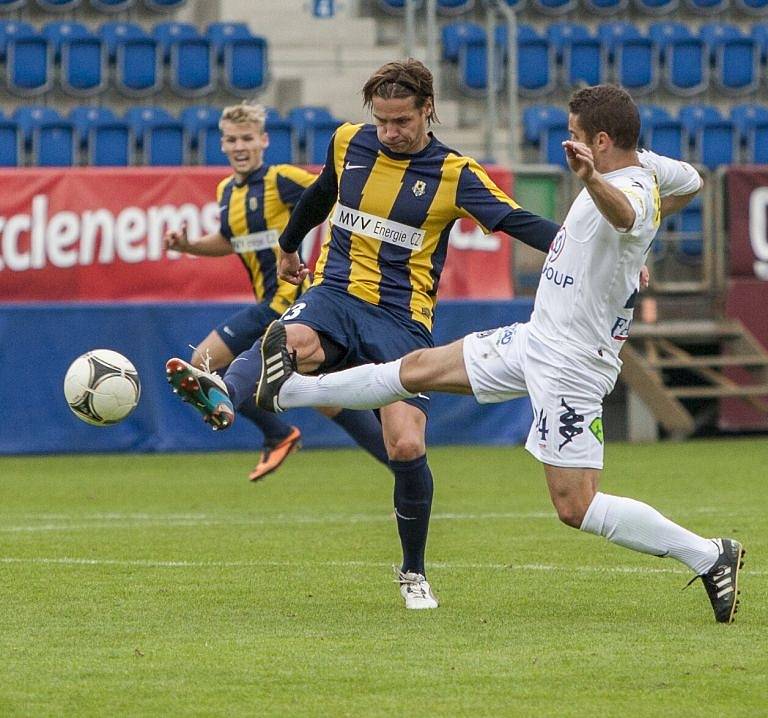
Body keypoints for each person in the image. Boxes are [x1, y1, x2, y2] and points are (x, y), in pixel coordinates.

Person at [254, 85, 745, 624]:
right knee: (416, 370)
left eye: (576, 136)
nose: (569, 142)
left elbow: (628, 216)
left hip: (574, 363)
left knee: (574, 506)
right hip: (538, 338)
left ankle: (708, 554)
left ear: (601, 142)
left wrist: (594, 184)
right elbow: (693, 181)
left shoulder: (632, 190)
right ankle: (290, 393)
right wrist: (628, 246)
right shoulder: (651, 167)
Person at [165, 60, 562, 609]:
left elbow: (523, 223)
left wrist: (594, 255)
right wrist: (288, 246)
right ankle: (225, 395)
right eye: (382, 121)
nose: (390, 132)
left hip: (401, 321)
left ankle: (414, 572)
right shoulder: (350, 141)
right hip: (334, 294)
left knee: (406, 443)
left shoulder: (455, 174)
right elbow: (321, 194)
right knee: (289, 339)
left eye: (401, 121)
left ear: (428, 110)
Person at [164, 101, 389, 481]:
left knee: (204, 362)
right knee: (328, 401)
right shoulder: (226, 192)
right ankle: (404, 468)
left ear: (264, 141)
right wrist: (189, 247)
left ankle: (278, 432)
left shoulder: (282, 179)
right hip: (273, 307)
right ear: (222, 145)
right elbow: (230, 240)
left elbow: (332, 193)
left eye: (247, 138)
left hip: (289, 302)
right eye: (232, 139)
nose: (240, 146)